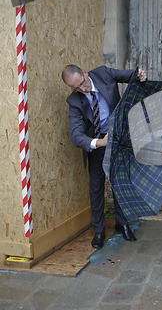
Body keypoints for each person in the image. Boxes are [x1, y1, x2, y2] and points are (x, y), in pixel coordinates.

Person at [62, 64, 147, 249]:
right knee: (96, 187)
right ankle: (99, 230)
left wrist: (139, 74)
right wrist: (99, 143)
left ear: (85, 72)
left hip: (118, 138)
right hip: (97, 145)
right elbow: (76, 136)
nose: (82, 89)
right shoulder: (74, 101)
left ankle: (122, 224)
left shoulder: (103, 73)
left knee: (120, 182)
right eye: (76, 88)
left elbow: (130, 75)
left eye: (82, 83)